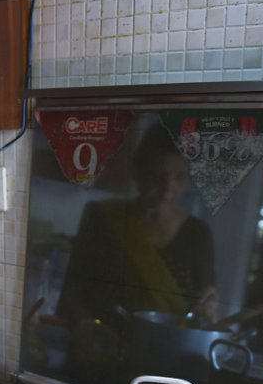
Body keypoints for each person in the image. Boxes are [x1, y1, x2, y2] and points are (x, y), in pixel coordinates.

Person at [58, 125, 217, 327]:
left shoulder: (198, 234)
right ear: (138, 172)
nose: (167, 190)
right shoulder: (102, 217)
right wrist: (84, 323)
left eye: (179, 178)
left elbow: (203, 308)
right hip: (97, 346)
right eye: (157, 176)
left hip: (162, 351)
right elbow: (71, 292)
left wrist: (208, 308)